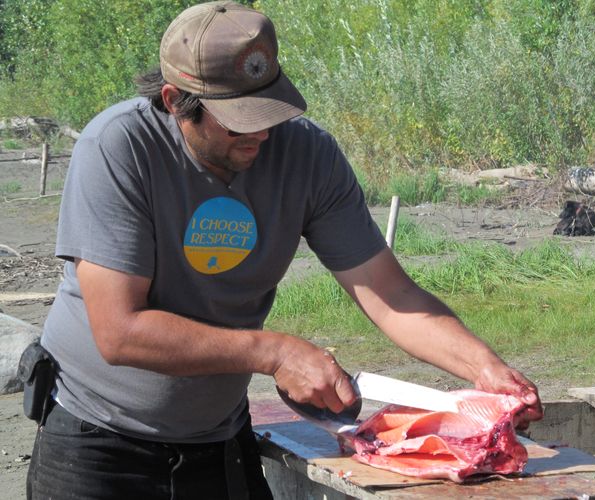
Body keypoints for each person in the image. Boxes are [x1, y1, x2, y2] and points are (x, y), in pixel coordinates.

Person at [27, 2, 542, 499]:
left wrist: (483, 367)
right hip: (97, 441)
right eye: (238, 119)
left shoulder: (307, 155)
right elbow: (120, 332)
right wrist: (276, 352)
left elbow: (388, 292)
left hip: (216, 439)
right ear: (174, 100)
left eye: (269, 110)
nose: (261, 133)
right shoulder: (120, 148)